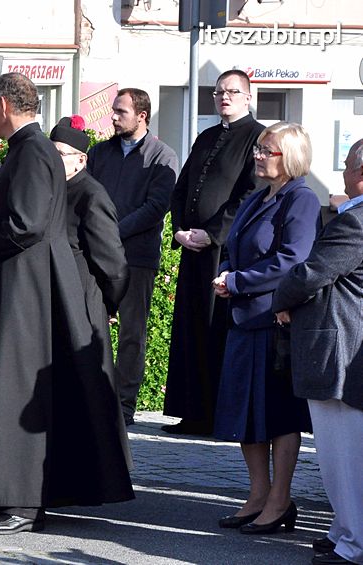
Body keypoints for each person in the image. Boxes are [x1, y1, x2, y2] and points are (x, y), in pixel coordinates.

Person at [0, 73, 133, 535]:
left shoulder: (33, 150)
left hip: (23, 296)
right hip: (17, 291)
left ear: (4, 106)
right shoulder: (29, 149)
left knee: (14, 395)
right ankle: (5, 496)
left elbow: (26, 223)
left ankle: (21, 502)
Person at [210, 122, 320, 535]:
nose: (258, 156)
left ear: (288, 156)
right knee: (245, 414)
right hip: (243, 319)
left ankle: (280, 500)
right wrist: (225, 272)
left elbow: (293, 259)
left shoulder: (301, 199)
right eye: (258, 149)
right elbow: (233, 246)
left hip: (274, 321)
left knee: (276, 416)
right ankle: (257, 495)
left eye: (266, 150)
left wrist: (236, 281)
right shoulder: (259, 197)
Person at [273, 137, 363, 565]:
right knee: (341, 456)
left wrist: (281, 300)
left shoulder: (357, 222)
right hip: (343, 347)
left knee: (344, 458)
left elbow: (310, 273)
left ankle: (354, 544)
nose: (342, 171)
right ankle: (343, 529)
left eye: (346, 164)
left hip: (340, 351)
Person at [163, 69, 265, 435]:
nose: (224, 97)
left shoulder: (257, 137)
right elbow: (182, 188)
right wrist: (179, 229)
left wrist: (212, 233)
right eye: (219, 92)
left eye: (232, 92)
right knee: (189, 330)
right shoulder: (207, 136)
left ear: (248, 97)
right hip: (192, 247)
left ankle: (214, 414)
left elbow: (249, 194)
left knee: (213, 329)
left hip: (223, 251)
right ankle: (190, 410)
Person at [86, 88, 179, 426]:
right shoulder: (100, 153)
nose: (113, 117)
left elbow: (156, 207)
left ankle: (124, 406)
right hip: (96, 255)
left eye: (120, 112)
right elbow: (87, 195)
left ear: (141, 116)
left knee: (131, 335)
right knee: (89, 327)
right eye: (113, 110)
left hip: (136, 258)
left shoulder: (161, 156)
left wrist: (112, 232)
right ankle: (94, 396)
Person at [49, 115, 130, 434]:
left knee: (89, 397)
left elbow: (114, 264)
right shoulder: (55, 191)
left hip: (85, 304)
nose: (53, 161)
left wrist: (107, 304)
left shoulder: (90, 195)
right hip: (60, 303)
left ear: (80, 160)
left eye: (60, 155)